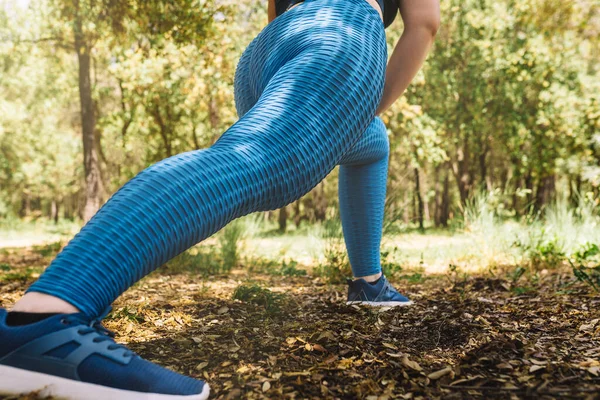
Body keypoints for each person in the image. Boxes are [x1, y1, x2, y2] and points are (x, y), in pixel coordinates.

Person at [0, 0, 439, 398]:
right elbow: (424, 23)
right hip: (342, 31)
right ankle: (42, 320)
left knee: (371, 144)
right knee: (261, 159)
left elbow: (278, 11)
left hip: (271, 48)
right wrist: (362, 101)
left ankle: (369, 284)